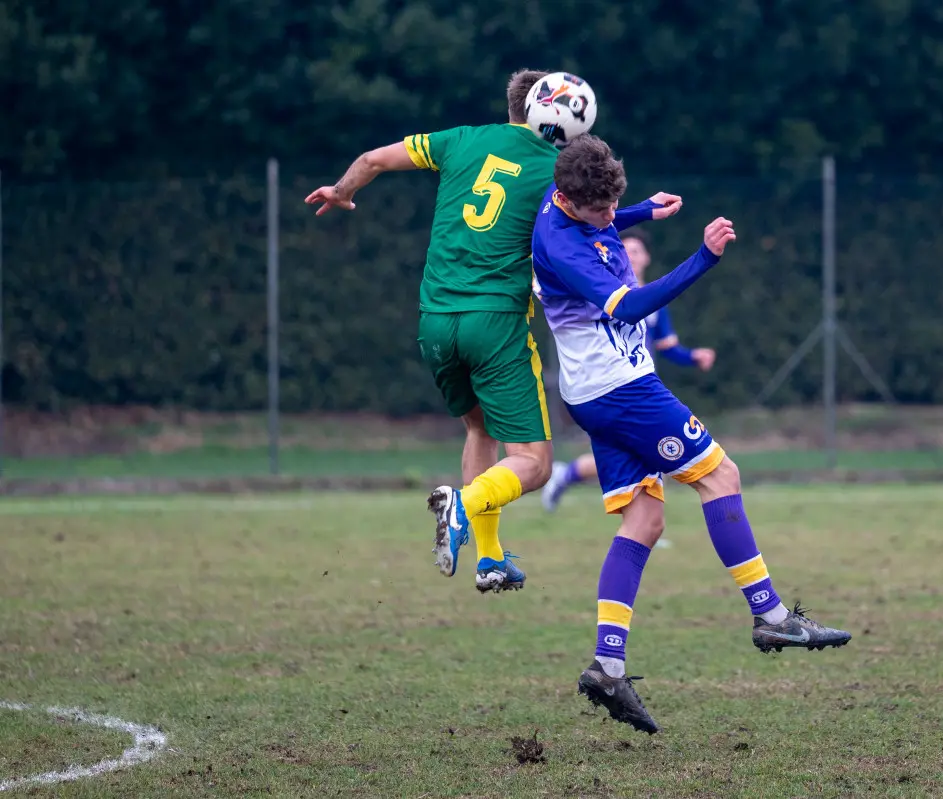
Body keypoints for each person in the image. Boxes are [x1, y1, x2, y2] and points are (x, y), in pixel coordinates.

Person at [530, 135, 852, 735]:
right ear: (572, 204)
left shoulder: (562, 201)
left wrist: (640, 211)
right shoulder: (562, 246)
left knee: (645, 521)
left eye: (612, 208)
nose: (610, 221)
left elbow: (604, 217)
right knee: (721, 475)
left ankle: (607, 664)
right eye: (601, 213)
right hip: (621, 391)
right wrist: (702, 258)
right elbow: (627, 307)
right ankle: (771, 615)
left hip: (594, 391)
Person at [305, 69, 561, 594]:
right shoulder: (554, 165)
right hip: (495, 324)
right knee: (533, 464)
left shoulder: (460, 139)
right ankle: (461, 504)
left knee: (480, 430)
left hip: (436, 322)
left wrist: (341, 191)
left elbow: (373, 159)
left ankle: (489, 559)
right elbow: (591, 220)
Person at [541, 232, 716, 514]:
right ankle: (569, 474)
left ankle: (641, 524)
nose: (632, 255)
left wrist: (693, 357)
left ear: (647, 258)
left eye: (637, 251)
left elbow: (667, 347)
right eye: (627, 250)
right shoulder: (601, 290)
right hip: (607, 390)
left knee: (641, 460)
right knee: (642, 457)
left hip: (643, 387)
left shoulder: (656, 296)